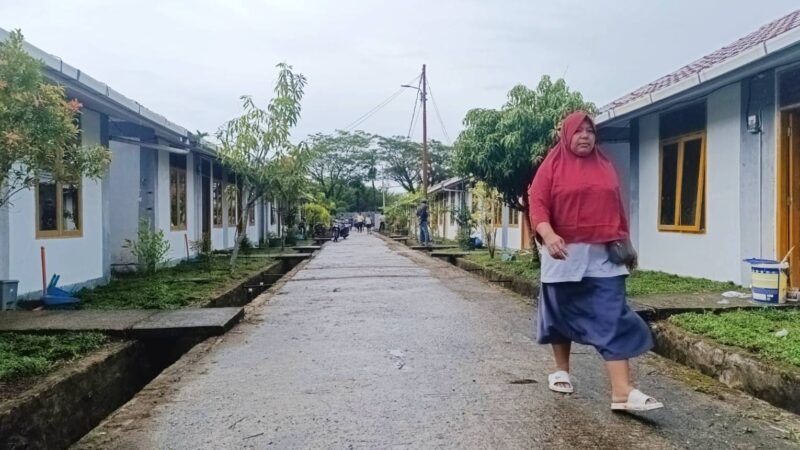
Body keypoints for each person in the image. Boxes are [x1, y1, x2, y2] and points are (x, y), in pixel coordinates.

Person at [528, 111, 663, 412]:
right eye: (578, 131)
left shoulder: (605, 165)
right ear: (566, 135)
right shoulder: (551, 166)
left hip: (603, 256)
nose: (585, 136)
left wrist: (624, 242)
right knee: (560, 314)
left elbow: (616, 208)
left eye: (590, 131)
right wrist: (548, 234)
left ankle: (622, 392)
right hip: (563, 254)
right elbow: (537, 204)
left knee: (612, 314)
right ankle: (561, 370)